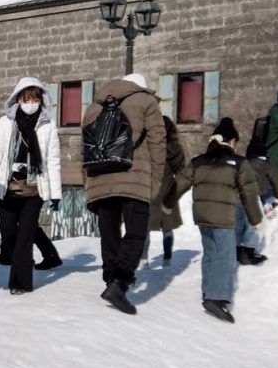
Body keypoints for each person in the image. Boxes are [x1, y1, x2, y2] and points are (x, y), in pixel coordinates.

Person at [81, 73, 165, 315]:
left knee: (109, 233)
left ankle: (110, 281)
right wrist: (156, 179)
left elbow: (84, 148)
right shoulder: (147, 102)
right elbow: (158, 142)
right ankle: (120, 283)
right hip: (135, 177)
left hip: (100, 177)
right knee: (136, 232)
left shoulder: (95, 106)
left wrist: (86, 182)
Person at [168, 118, 262, 324]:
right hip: (223, 217)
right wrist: (256, 220)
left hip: (203, 217)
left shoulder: (199, 161)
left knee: (210, 254)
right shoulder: (238, 162)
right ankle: (217, 298)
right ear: (232, 141)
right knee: (225, 258)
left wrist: (167, 203)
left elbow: (179, 183)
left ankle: (208, 292)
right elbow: (249, 193)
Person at [0, 78, 62, 294]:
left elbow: (53, 160)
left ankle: (20, 282)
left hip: (34, 188)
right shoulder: (5, 123)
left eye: (34, 98)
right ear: (18, 99)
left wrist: (56, 194)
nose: (30, 103)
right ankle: (21, 264)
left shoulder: (48, 125)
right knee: (8, 232)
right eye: (26, 98)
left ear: (41, 100)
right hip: (8, 186)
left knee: (25, 236)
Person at [142, 116, 187, 268]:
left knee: (145, 228)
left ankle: (143, 259)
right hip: (167, 191)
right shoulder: (175, 148)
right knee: (167, 228)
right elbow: (182, 172)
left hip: (149, 190)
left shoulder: (147, 146)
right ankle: (167, 259)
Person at [235, 138, 278, 265]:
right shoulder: (266, 164)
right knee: (256, 224)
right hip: (251, 196)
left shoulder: (242, 163)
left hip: (235, 196)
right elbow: (277, 181)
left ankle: (236, 250)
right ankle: (248, 252)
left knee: (238, 223)